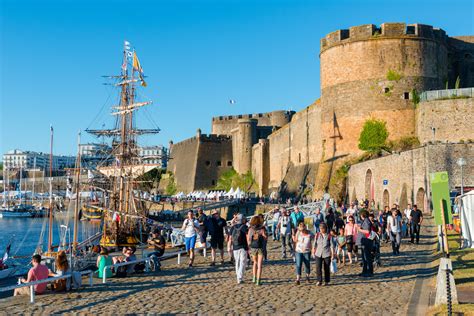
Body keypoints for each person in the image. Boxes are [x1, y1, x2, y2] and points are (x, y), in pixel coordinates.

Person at [247, 216, 267, 285]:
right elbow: (265, 237)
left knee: (254, 263)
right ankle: (258, 280)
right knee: (259, 264)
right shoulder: (262, 228)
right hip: (260, 247)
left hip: (253, 248)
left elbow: (248, 240)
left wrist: (249, 247)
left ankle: (254, 278)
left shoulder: (251, 229)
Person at [228, 214, 248, 284]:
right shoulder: (245, 227)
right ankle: (240, 277)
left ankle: (238, 277)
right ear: (242, 220)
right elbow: (248, 238)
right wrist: (249, 247)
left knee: (237, 262)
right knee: (243, 262)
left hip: (235, 247)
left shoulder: (233, 227)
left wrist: (229, 247)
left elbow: (230, 238)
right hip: (243, 247)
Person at [293, 221, 314, 285]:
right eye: (300, 228)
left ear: (305, 227)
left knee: (307, 264)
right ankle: (298, 279)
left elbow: (314, 240)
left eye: (303, 228)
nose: (302, 230)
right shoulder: (298, 232)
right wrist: (294, 235)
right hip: (298, 251)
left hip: (307, 251)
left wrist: (313, 249)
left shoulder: (309, 233)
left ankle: (307, 277)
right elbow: (295, 241)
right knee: (298, 264)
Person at [357, 210, 374, 277]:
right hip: (364, 242)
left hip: (367, 242)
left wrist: (359, 229)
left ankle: (370, 271)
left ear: (362, 215)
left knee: (367, 257)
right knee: (364, 258)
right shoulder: (365, 221)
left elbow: (367, 231)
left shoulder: (366, 221)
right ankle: (364, 271)